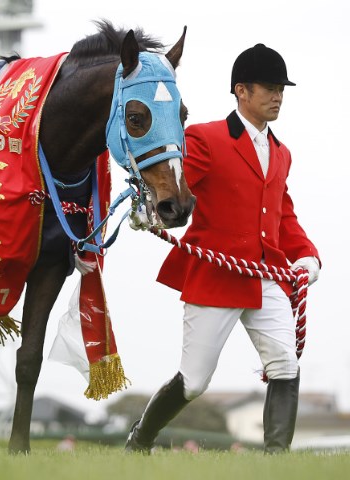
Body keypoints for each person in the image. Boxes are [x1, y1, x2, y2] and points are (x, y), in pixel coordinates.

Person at [124, 43, 321, 454]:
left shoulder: (282, 152)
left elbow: (283, 214)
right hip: (217, 277)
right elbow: (175, 189)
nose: (277, 96)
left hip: (266, 277)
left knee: (285, 364)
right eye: (268, 87)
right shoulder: (206, 138)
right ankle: (140, 439)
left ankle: (276, 462)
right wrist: (153, 209)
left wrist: (306, 255)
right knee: (194, 383)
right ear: (241, 91)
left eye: (281, 88)